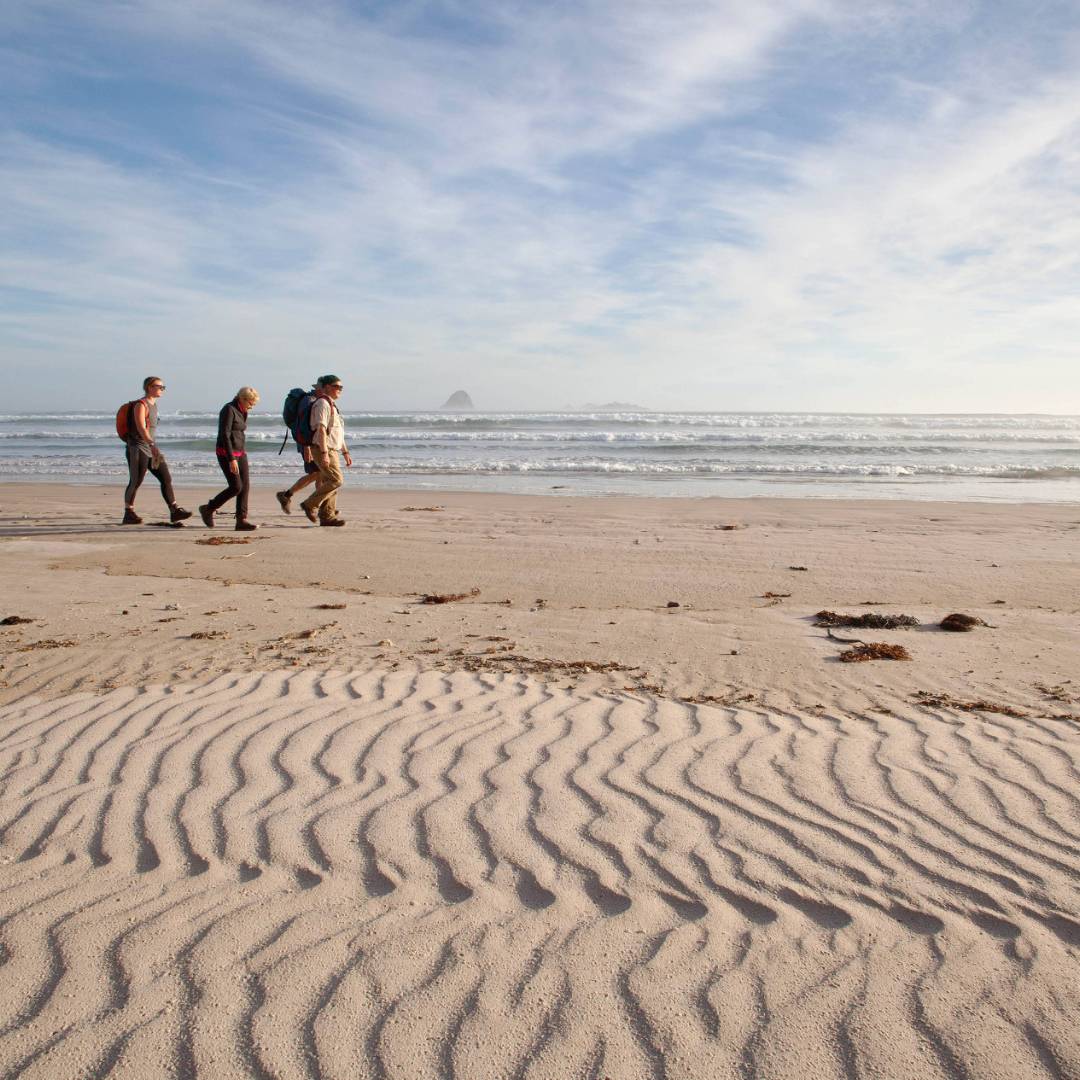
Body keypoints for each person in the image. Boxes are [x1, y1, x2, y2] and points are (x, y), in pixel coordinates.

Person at [122, 376, 192, 525]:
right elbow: (141, 428)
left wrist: (152, 446)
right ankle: (128, 513)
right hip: (138, 447)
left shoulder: (154, 405)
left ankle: (174, 511)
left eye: (163, 387)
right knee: (136, 481)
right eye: (159, 387)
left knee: (166, 478)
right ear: (149, 387)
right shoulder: (141, 405)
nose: (162, 389)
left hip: (150, 447)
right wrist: (152, 445)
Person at [199, 387, 260, 531]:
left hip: (240, 452)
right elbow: (224, 434)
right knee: (236, 487)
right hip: (226, 453)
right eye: (251, 403)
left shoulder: (242, 410)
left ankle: (241, 520)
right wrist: (231, 459)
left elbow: (238, 432)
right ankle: (208, 508)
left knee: (245, 486)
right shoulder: (229, 409)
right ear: (243, 399)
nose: (252, 406)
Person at [299, 375, 352, 526]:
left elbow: (337, 432)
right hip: (324, 448)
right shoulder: (322, 404)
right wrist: (324, 453)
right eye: (337, 386)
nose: (340, 390)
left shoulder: (332, 404)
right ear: (327, 387)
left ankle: (327, 516)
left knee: (330, 481)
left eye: (341, 387)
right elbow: (321, 429)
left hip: (332, 449)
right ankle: (309, 504)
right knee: (336, 480)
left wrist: (345, 452)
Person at [275, 386, 319, 514]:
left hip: (314, 443)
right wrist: (306, 447)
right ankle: (288, 496)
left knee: (319, 475)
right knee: (318, 474)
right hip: (308, 444)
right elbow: (303, 426)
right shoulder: (309, 401)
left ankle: (320, 506)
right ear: (320, 388)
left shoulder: (316, 400)